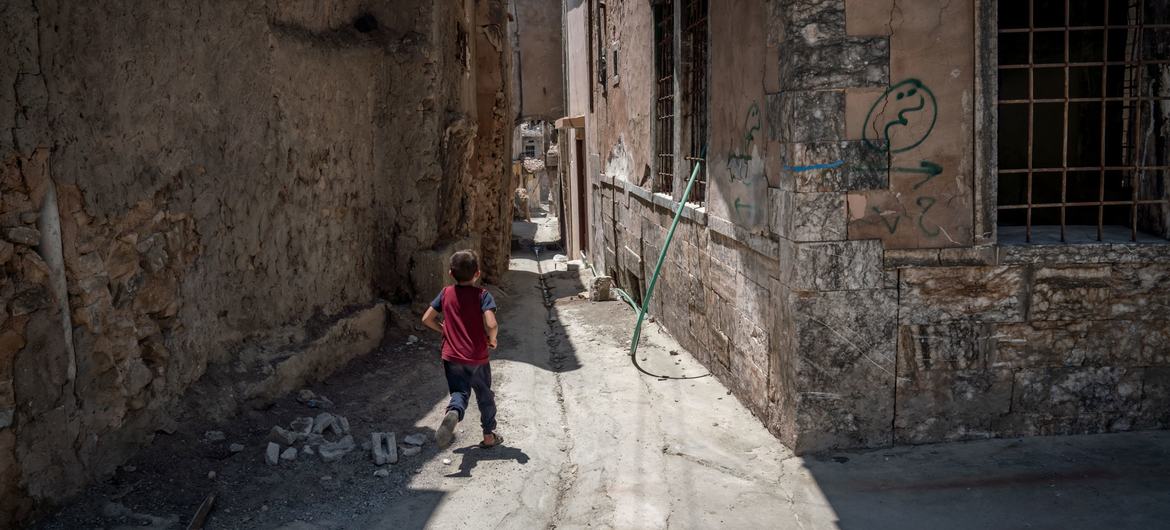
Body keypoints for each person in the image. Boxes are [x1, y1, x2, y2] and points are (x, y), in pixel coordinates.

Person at [421, 250, 503, 449]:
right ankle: (489, 436)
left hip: (452, 357)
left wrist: (443, 329)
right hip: (477, 357)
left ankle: (454, 413)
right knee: (484, 394)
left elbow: (426, 319)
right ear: (477, 273)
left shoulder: (446, 293)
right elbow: (491, 324)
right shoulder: (482, 295)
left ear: (450, 272)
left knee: (459, 392)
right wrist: (492, 340)